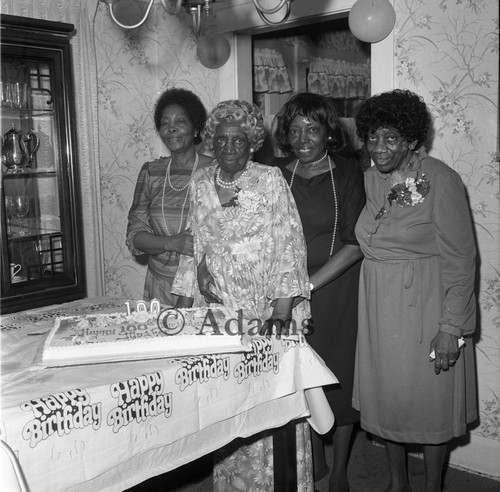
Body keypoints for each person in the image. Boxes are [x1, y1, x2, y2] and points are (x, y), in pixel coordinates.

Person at [171, 99, 313, 491]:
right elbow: (194, 247)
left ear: (252, 143)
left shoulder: (269, 180)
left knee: (266, 410)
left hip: (263, 311)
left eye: (238, 139)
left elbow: (288, 244)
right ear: (210, 143)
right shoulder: (200, 182)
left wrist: (282, 314)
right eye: (221, 139)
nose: (229, 147)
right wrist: (182, 305)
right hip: (218, 313)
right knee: (227, 408)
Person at [353, 89, 478, 492]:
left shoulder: (440, 178)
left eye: (390, 137)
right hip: (380, 304)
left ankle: (431, 487)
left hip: (424, 303)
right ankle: (396, 482)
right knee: (387, 397)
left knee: (431, 399)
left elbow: (462, 261)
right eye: (372, 137)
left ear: (411, 138)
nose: (379, 147)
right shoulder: (371, 177)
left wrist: (451, 327)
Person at [270, 92, 366, 492]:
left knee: (337, 376)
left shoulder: (348, 171)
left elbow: (355, 242)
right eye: (294, 130)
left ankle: (340, 467)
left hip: (334, 289)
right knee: (297, 376)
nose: (303, 137)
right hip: (283, 294)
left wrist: (306, 286)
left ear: (329, 132)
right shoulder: (273, 172)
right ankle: (315, 457)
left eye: (313, 128)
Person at [126, 87, 213, 305]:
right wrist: (173, 243)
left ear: (195, 128)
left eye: (180, 121)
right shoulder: (150, 172)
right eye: (165, 123)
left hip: (206, 288)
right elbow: (134, 236)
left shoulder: (215, 170)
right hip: (160, 288)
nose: (171, 128)